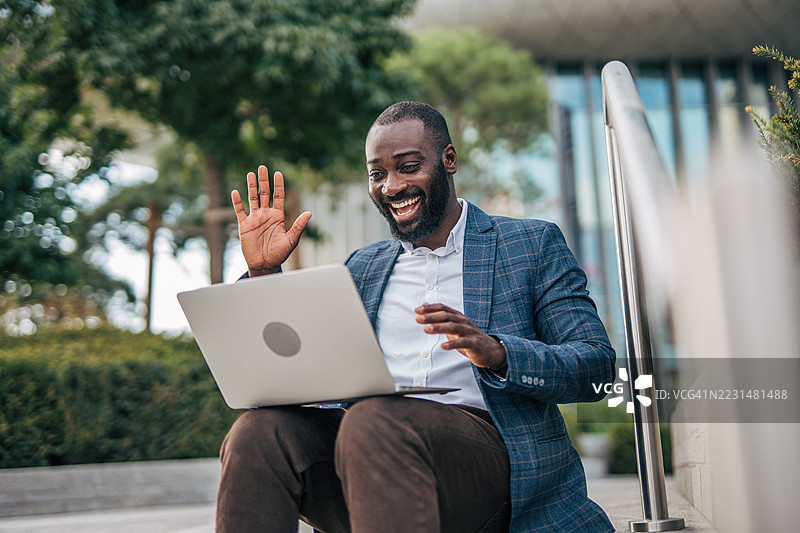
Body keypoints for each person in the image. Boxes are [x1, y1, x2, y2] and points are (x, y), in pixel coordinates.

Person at [218, 102, 616, 533]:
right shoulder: (360, 267)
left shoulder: (531, 244)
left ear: (449, 161)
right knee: (257, 433)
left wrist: (497, 353)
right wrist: (262, 274)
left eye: (408, 167)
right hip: (364, 458)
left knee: (374, 420)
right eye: (377, 174)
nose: (391, 186)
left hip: (487, 469)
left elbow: (595, 365)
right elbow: (300, 373)